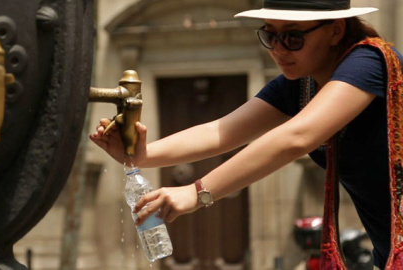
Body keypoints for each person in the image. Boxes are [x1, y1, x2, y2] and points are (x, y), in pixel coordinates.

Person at [90, 1, 403, 269]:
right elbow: (221, 131)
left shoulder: (368, 62)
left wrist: (197, 192)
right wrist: (141, 154)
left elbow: (297, 137)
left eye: (293, 37)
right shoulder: (301, 84)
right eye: (270, 35)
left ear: (335, 30)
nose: (278, 50)